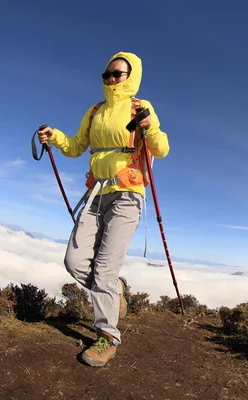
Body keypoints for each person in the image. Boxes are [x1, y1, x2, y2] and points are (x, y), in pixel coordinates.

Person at [37, 51, 170, 367]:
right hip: (96, 195)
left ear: (131, 76)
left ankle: (107, 337)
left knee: (105, 270)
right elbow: (75, 147)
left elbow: (161, 149)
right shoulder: (94, 111)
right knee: (74, 261)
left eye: (117, 74)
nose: (110, 79)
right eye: (106, 74)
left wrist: (150, 126)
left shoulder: (141, 108)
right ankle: (117, 290)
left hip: (127, 197)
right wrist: (54, 137)